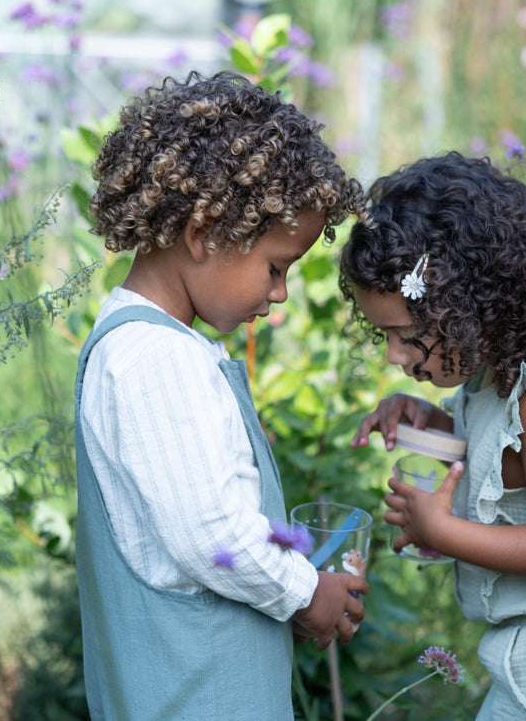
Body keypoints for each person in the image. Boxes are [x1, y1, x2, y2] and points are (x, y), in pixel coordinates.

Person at [74, 70, 367, 720]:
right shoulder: (155, 358)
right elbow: (210, 535)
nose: (281, 291)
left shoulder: (156, 347)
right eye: (275, 266)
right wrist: (304, 589)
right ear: (204, 233)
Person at [339, 151, 526, 720]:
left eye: (407, 337)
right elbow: (497, 462)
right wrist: (432, 425)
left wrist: (443, 529)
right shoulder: (496, 370)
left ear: (472, 307)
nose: (394, 357)